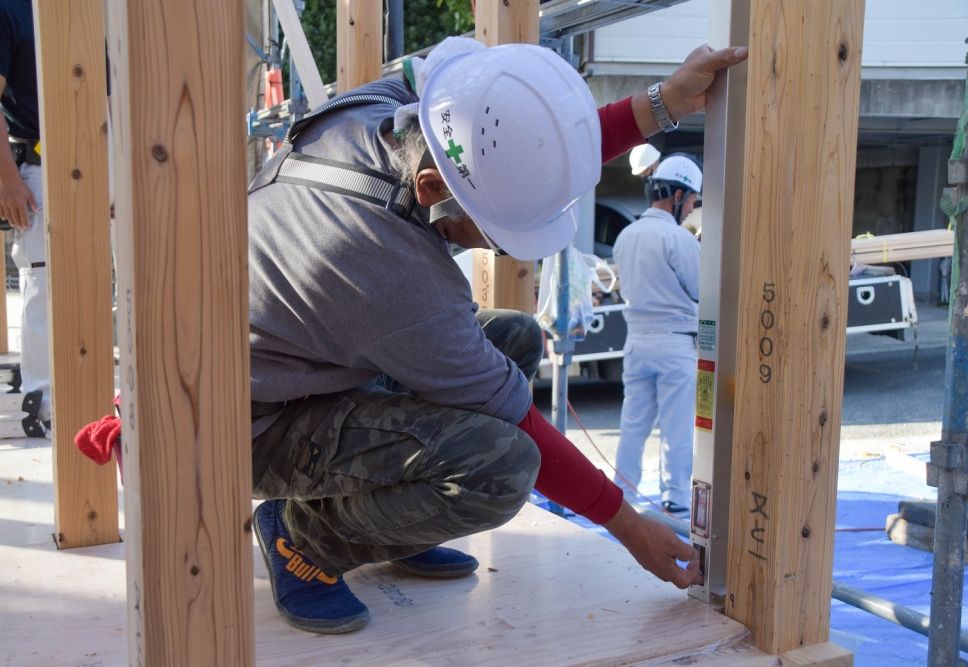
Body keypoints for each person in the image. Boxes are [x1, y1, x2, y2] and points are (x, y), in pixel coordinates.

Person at [248, 38, 746, 634]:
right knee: (501, 468)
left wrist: (662, 104)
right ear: (432, 189)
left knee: (512, 337)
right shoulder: (388, 268)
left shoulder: (394, 110)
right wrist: (629, 527)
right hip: (255, 425)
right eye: (498, 229)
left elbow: (524, 154)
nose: (495, 243)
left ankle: (391, 519)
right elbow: (515, 424)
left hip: (301, 361)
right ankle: (302, 539)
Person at [613, 154, 703, 513]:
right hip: (674, 343)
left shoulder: (626, 236)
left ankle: (623, 493)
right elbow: (700, 289)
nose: (692, 209)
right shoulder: (678, 239)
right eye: (693, 201)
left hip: (636, 341)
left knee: (632, 424)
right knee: (676, 427)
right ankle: (676, 498)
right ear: (678, 195)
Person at [0, 0, 49, 437]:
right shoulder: (9, 10)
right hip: (34, 164)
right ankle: (43, 399)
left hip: (87, 163)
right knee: (42, 281)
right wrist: (8, 178)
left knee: (84, 285)